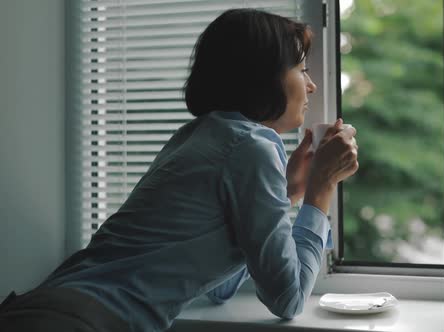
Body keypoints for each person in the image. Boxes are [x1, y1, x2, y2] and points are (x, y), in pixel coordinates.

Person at [0, 8, 358, 332]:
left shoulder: (198, 135)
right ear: (263, 75)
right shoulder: (254, 145)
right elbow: (289, 299)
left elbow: (217, 286)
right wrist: (320, 188)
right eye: (301, 69)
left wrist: (286, 193)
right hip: (84, 321)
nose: (311, 85)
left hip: (43, 306)